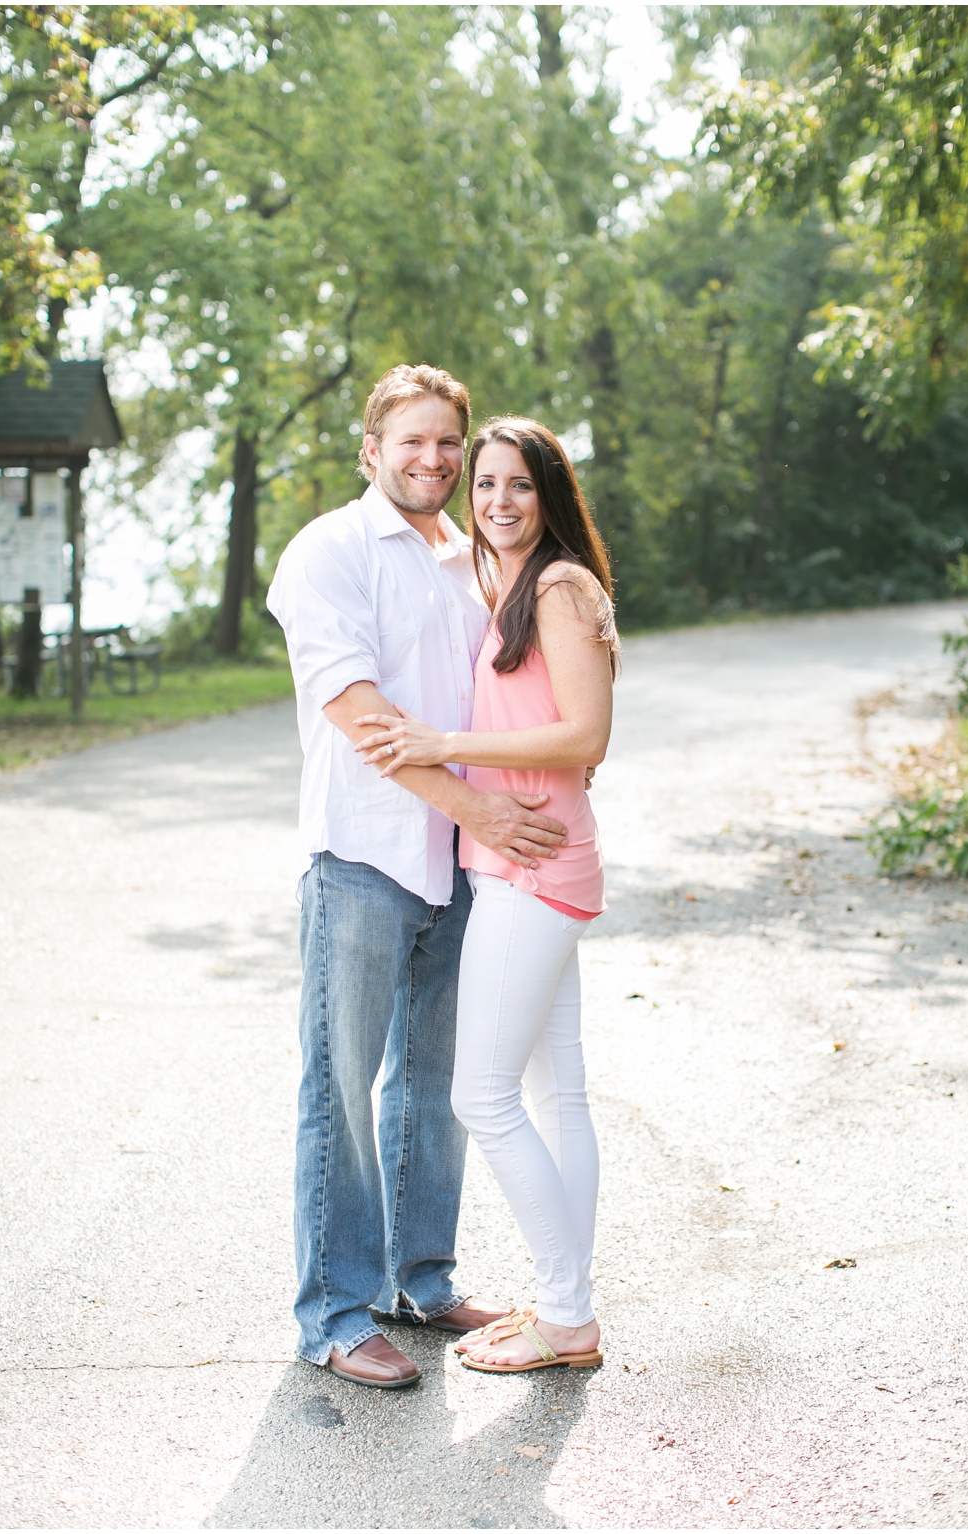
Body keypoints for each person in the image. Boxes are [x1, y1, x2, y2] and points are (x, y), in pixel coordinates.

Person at [267, 366, 570, 1389]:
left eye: (449, 441)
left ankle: (417, 1280)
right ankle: (336, 1313)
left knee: (431, 1086)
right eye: (414, 441)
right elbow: (360, 715)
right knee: (342, 1089)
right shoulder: (329, 552)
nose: (435, 459)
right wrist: (481, 806)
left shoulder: (467, 559)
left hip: (460, 873)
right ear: (372, 449)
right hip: (362, 854)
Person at [352, 416, 618, 1374]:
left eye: (520, 486)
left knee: (483, 1095)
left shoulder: (558, 586)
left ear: (550, 495)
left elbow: (585, 734)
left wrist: (442, 745)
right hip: (531, 861)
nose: (499, 503)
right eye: (488, 484)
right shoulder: (512, 583)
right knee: (561, 1093)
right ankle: (567, 1305)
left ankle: (566, 1315)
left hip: (530, 869)